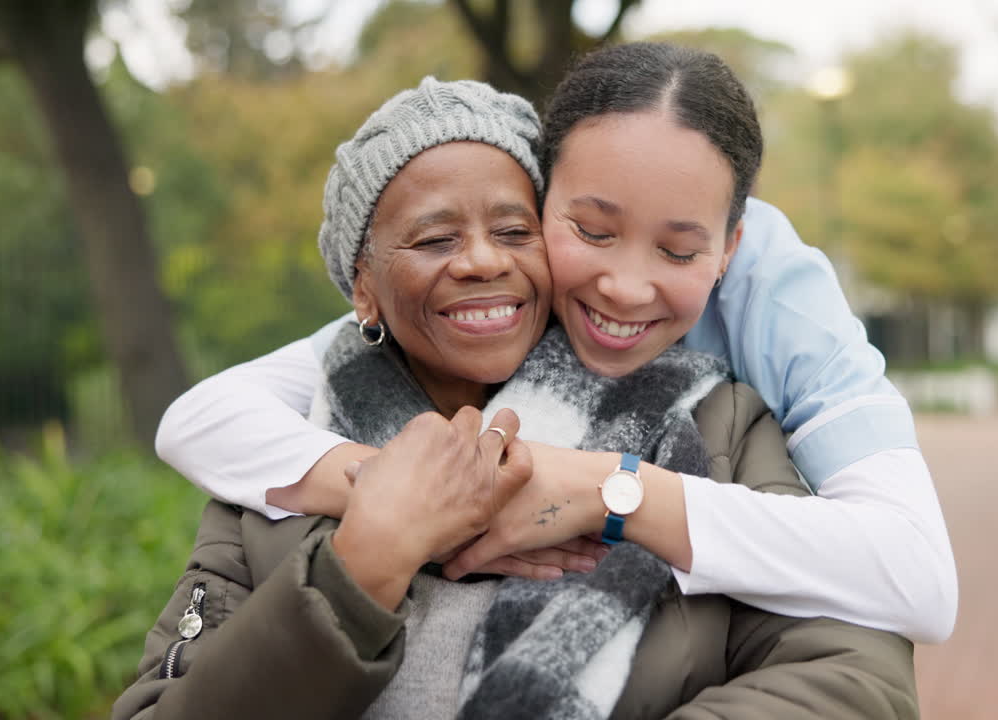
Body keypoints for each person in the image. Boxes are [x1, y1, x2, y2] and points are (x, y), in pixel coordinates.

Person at [115, 75, 917, 720]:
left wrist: (602, 491)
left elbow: (855, 679)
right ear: (362, 284)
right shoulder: (281, 463)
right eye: (434, 239)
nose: (480, 262)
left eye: (512, 230)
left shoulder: (714, 423)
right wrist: (362, 564)